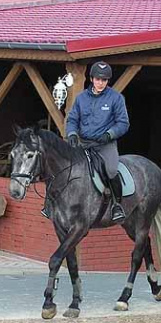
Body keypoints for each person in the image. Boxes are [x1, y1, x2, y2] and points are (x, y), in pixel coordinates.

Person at [41, 60, 130, 222]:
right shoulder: (81, 98)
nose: (100, 83)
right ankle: (50, 203)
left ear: (107, 81)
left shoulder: (116, 98)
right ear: (91, 79)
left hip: (105, 144)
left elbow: (123, 123)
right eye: (98, 79)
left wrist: (109, 134)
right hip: (83, 143)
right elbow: (73, 119)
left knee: (111, 170)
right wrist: (72, 134)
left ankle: (117, 205)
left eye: (104, 80)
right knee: (61, 166)